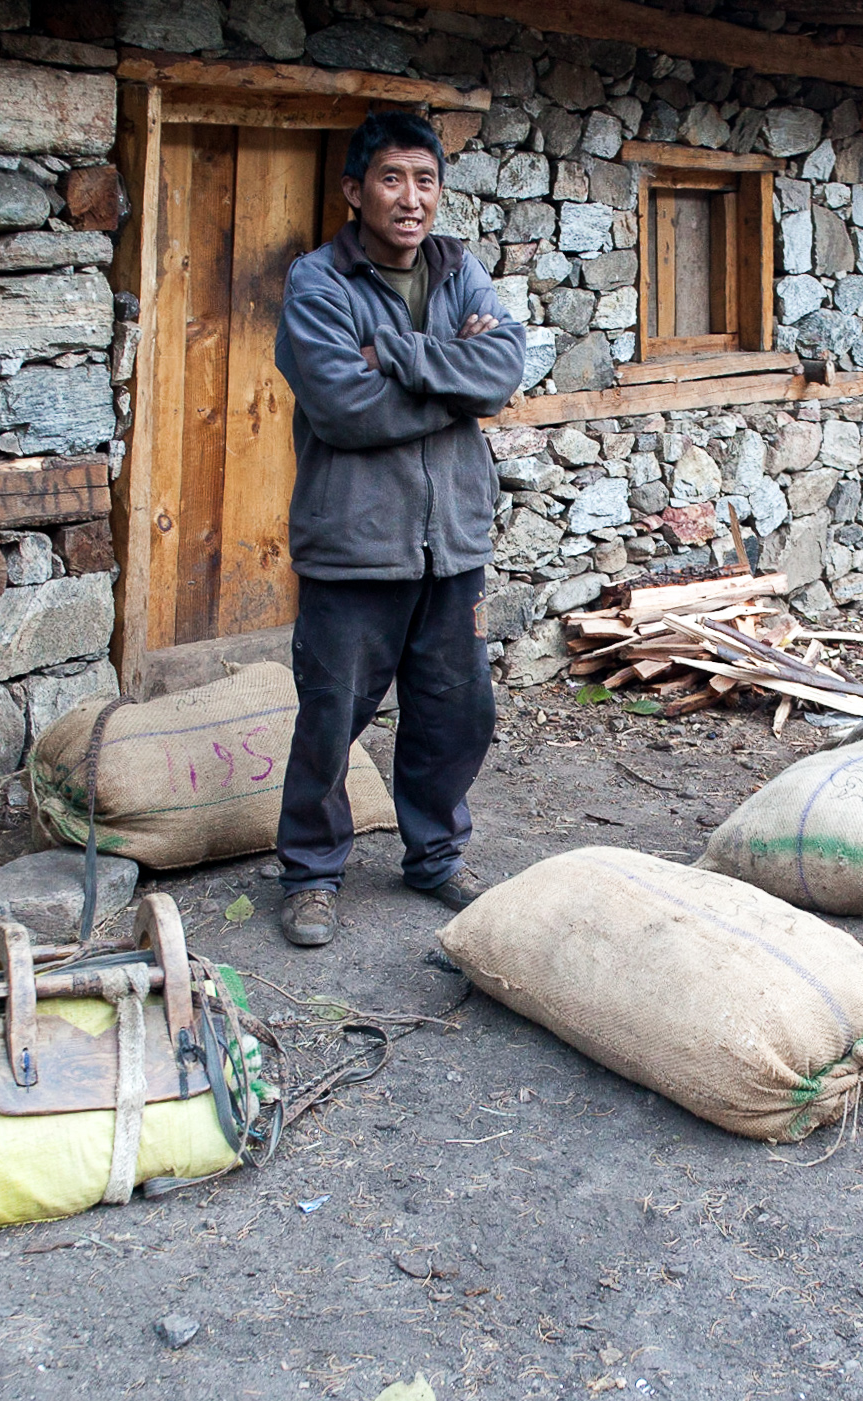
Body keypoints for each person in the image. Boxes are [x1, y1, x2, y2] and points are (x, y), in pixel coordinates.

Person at [270, 111, 527, 949]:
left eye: (424, 180)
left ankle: (435, 856)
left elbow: (501, 374)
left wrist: (403, 356)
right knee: (330, 719)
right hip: (354, 543)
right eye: (391, 178)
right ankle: (311, 873)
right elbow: (343, 408)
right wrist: (452, 368)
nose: (410, 198)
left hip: (450, 540)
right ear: (355, 190)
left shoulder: (460, 270)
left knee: (457, 714)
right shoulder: (317, 282)